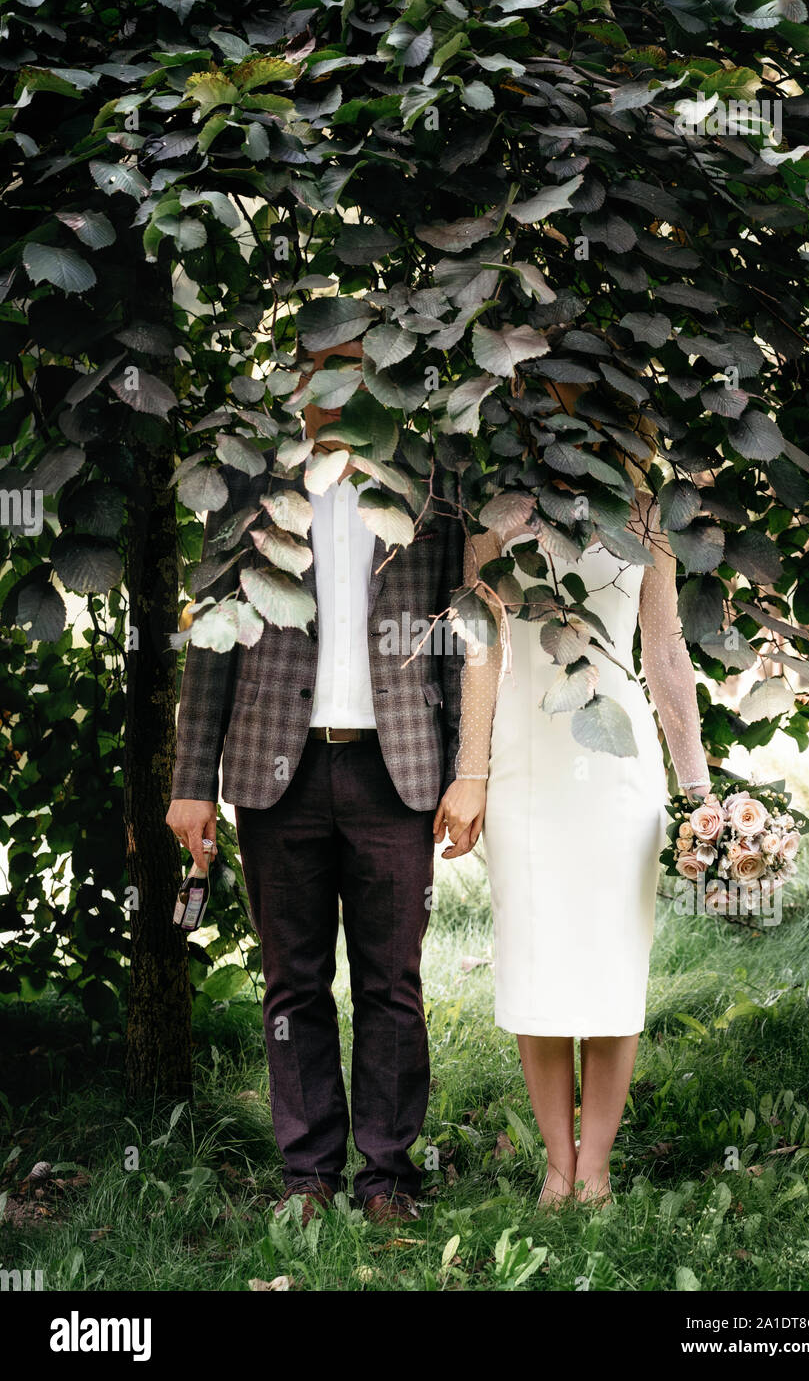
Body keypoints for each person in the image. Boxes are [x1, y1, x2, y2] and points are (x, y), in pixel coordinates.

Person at [166, 340, 464, 1225]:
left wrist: (469, 770)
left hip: (394, 769)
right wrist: (190, 780)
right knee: (292, 983)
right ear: (296, 385)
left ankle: (387, 1176)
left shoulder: (427, 483)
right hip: (273, 771)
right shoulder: (247, 485)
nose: (334, 387)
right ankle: (307, 1173)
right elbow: (211, 640)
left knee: (391, 980)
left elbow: (456, 631)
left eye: (352, 365)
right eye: (319, 368)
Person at [435, 383, 711, 1209]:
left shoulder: (645, 511)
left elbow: (664, 649)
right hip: (526, 763)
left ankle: (598, 1167)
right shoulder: (499, 511)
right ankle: (558, 1165)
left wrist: (698, 787)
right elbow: (480, 649)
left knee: (613, 968)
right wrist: (472, 770)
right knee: (539, 964)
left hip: (619, 761)